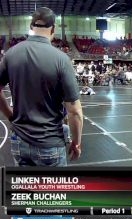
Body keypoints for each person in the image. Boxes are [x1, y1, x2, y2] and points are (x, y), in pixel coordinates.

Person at [0, 7, 83, 166]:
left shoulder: (11, 54)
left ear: (31, 27)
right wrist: (76, 143)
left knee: (26, 188)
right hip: (50, 144)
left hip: (19, 141)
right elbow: (75, 112)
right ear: (53, 29)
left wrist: (11, 116)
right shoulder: (61, 59)